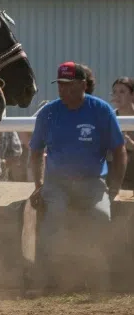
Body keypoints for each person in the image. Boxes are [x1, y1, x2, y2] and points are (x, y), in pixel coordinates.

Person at [29, 61, 127, 291]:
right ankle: (45, 278)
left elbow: (119, 151)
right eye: (60, 84)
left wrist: (114, 187)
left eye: (69, 84)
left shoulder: (101, 110)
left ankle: (95, 276)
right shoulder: (48, 113)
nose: (63, 89)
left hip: (92, 183)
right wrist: (38, 184)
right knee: (54, 217)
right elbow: (35, 152)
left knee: (101, 217)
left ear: (83, 85)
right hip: (56, 184)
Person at [110, 76, 134, 191]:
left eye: (122, 92)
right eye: (114, 92)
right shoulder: (108, 119)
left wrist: (131, 145)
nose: (117, 96)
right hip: (114, 183)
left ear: (132, 95)